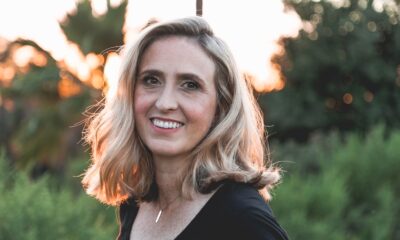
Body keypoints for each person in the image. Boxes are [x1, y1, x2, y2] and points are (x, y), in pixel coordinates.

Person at [81, 16, 289, 240]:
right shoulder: (137, 203)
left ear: (221, 107)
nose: (164, 103)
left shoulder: (242, 218)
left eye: (190, 85)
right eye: (151, 80)